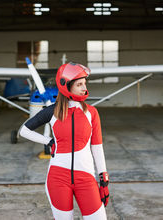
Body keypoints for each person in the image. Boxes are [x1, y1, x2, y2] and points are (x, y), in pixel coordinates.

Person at [20, 62, 109, 219]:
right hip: (57, 178)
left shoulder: (92, 113)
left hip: (86, 178)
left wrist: (103, 177)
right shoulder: (52, 111)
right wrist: (48, 141)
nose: (84, 88)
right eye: (79, 84)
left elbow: (97, 146)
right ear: (67, 86)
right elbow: (24, 131)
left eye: (85, 84)